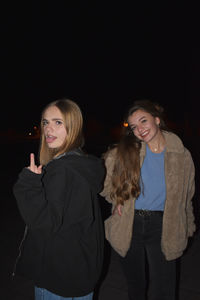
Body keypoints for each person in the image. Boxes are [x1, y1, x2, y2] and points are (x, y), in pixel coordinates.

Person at [100, 99, 196, 300]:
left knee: (164, 288)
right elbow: (104, 183)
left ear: (157, 120)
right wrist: (117, 198)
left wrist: (188, 226)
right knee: (136, 286)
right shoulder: (125, 152)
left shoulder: (182, 155)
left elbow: (188, 195)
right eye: (134, 126)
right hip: (129, 223)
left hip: (164, 225)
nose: (139, 129)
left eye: (144, 121)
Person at [13, 98, 105, 300]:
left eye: (58, 122)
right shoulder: (81, 164)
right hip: (80, 270)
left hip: (58, 275)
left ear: (73, 126)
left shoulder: (62, 169)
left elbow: (44, 222)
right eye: (45, 122)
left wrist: (28, 185)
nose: (48, 129)